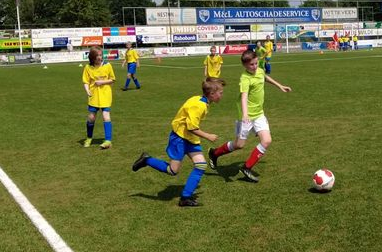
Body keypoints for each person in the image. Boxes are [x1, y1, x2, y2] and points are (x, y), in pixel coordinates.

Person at [132, 78, 225, 207]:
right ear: (212, 94)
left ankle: (185, 198)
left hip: (190, 138)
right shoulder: (199, 106)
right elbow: (191, 127)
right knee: (173, 170)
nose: (222, 95)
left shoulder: (201, 100)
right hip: (179, 138)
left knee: (201, 165)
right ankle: (147, 160)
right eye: (220, 92)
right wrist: (208, 136)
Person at [207, 49, 292, 182]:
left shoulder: (260, 70)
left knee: (267, 140)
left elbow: (264, 77)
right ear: (245, 65)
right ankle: (214, 153)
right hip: (245, 116)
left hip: (259, 114)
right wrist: (245, 114)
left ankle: (246, 168)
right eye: (251, 64)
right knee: (239, 145)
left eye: (256, 63)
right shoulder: (245, 78)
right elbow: (244, 97)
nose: (254, 66)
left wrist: (280, 86)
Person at [82, 47, 116, 149]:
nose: (100, 58)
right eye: (97, 56)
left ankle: (108, 141)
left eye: (101, 55)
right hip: (94, 96)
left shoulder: (107, 65)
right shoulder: (88, 67)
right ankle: (89, 138)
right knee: (91, 117)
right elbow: (85, 81)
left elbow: (112, 79)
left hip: (105, 95)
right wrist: (87, 90)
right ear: (92, 57)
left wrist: (102, 82)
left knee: (106, 116)